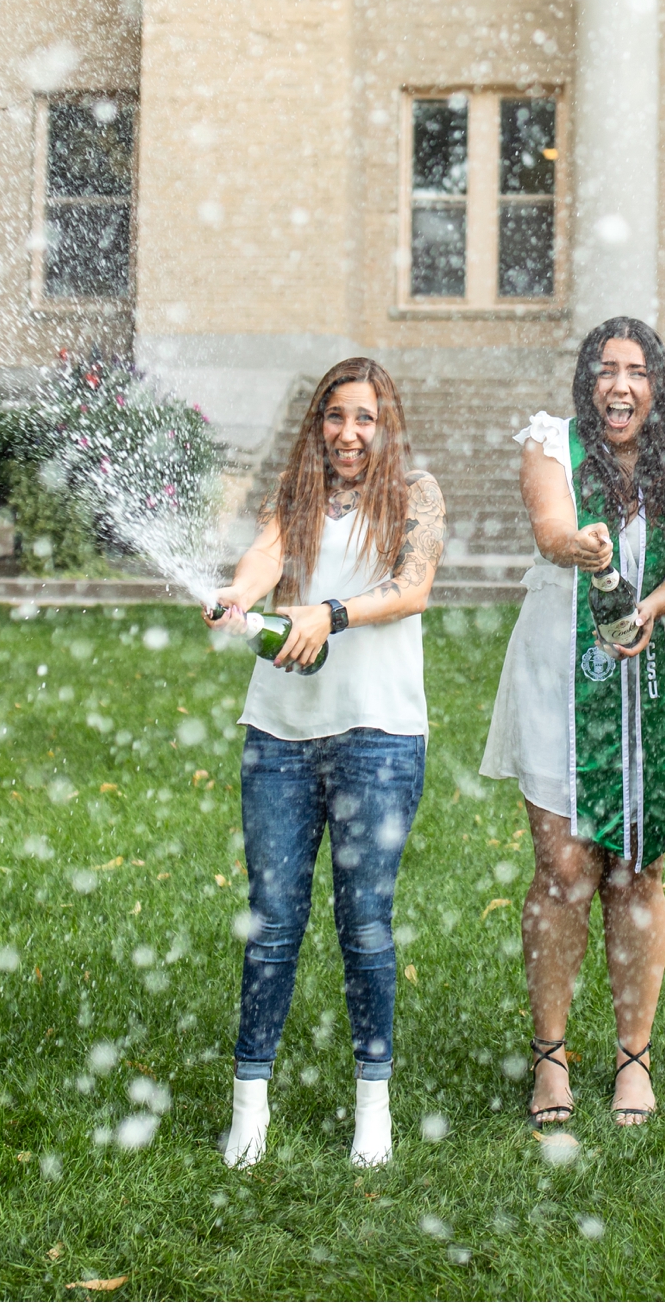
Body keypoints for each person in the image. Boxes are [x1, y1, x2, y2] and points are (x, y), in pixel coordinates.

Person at [479, 317, 665, 1128]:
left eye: (636, 370)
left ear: (656, 384)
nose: (620, 385)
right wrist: (581, 545)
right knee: (564, 868)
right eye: (605, 369)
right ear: (586, 382)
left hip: (652, 673)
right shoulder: (553, 443)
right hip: (562, 674)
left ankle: (633, 1059)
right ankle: (551, 1057)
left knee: (640, 866)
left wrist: (651, 605)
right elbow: (550, 527)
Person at [203, 358, 444, 1170]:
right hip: (278, 735)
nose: (348, 433)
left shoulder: (416, 494)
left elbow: (412, 589)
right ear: (318, 423)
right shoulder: (294, 492)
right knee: (272, 923)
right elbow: (264, 559)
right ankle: (250, 1106)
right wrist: (239, 596)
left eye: (365, 418)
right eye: (336, 417)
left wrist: (328, 614)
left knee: (365, 924)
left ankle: (372, 1108)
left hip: (377, 736)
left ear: (387, 425)